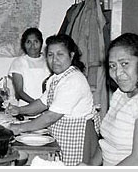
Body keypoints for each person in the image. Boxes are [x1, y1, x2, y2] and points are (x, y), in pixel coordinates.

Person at [8, 34, 95, 166]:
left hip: (78, 138)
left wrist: (19, 128)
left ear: (71, 56)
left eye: (60, 54)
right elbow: (42, 103)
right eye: (50, 55)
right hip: (64, 135)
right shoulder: (56, 78)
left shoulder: (74, 80)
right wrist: (19, 109)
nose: (54, 60)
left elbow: (51, 116)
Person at [80, 33, 138, 166]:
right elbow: (105, 142)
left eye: (124, 64)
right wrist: (89, 167)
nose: (117, 73)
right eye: (112, 66)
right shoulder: (120, 94)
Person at [8, 28, 51, 106]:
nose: (32, 46)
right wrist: (36, 104)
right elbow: (19, 91)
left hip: (46, 108)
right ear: (24, 44)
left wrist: (45, 105)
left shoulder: (48, 61)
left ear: (41, 43)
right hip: (25, 107)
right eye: (28, 42)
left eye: (36, 42)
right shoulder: (18, 62)